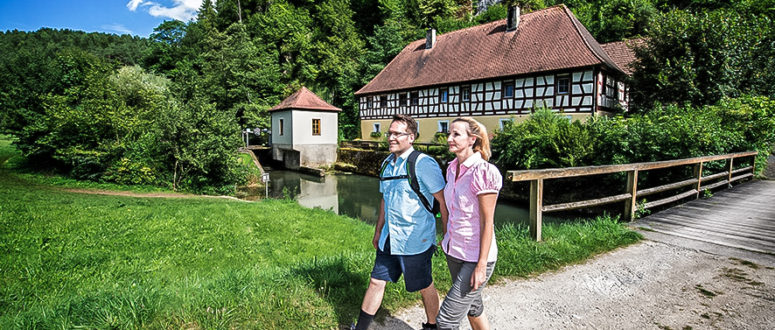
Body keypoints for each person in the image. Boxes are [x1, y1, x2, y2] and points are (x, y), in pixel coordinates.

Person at [353, 114, 448, 330]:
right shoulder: (387, 164)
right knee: (376, 281)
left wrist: (446, 234)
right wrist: (378, 232)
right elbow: (385, 201)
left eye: (397, 133)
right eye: (390, 133)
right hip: (389, 238)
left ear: (411, 137)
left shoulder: (423, 164)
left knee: (424, 285)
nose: (391, 137)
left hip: (416, 239)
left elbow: (443, 201)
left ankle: (433, 326)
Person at [436, 117, 502, 330]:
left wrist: (481, 265)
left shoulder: (483, 172)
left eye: (456, 134)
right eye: (449, 133)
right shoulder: (451, 168)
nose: (449, 139)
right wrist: (446, 235)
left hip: (476, 256)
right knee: (473, 307)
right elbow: (449, 207)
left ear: (472, 139)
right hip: (454, 251)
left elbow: (487, 221)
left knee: (446, 321)